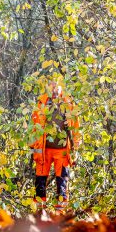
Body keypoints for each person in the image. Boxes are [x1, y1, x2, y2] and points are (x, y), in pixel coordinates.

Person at [30, 78, 80, 209]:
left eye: (56, 89)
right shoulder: (41, 103)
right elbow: (33, 127)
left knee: (62, 179)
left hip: (62, 150)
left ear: (60, 89)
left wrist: (76, 148)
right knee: (40, 179)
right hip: (43, 149)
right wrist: (33, 148)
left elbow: (75, 127)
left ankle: (61, 208)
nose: (54, 92)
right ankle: (40, 208)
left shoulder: (69, 104)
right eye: (51, 89)